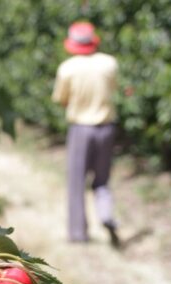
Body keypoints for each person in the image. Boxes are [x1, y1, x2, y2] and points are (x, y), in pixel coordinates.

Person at [51, 21, 120, 247]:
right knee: (102, 180)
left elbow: (61, 99)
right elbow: (113, 90)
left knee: (76, 181)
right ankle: (106, 214)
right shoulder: (109, 63)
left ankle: (78, 233)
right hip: (107, 128)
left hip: (81, 128)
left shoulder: (67, 68)